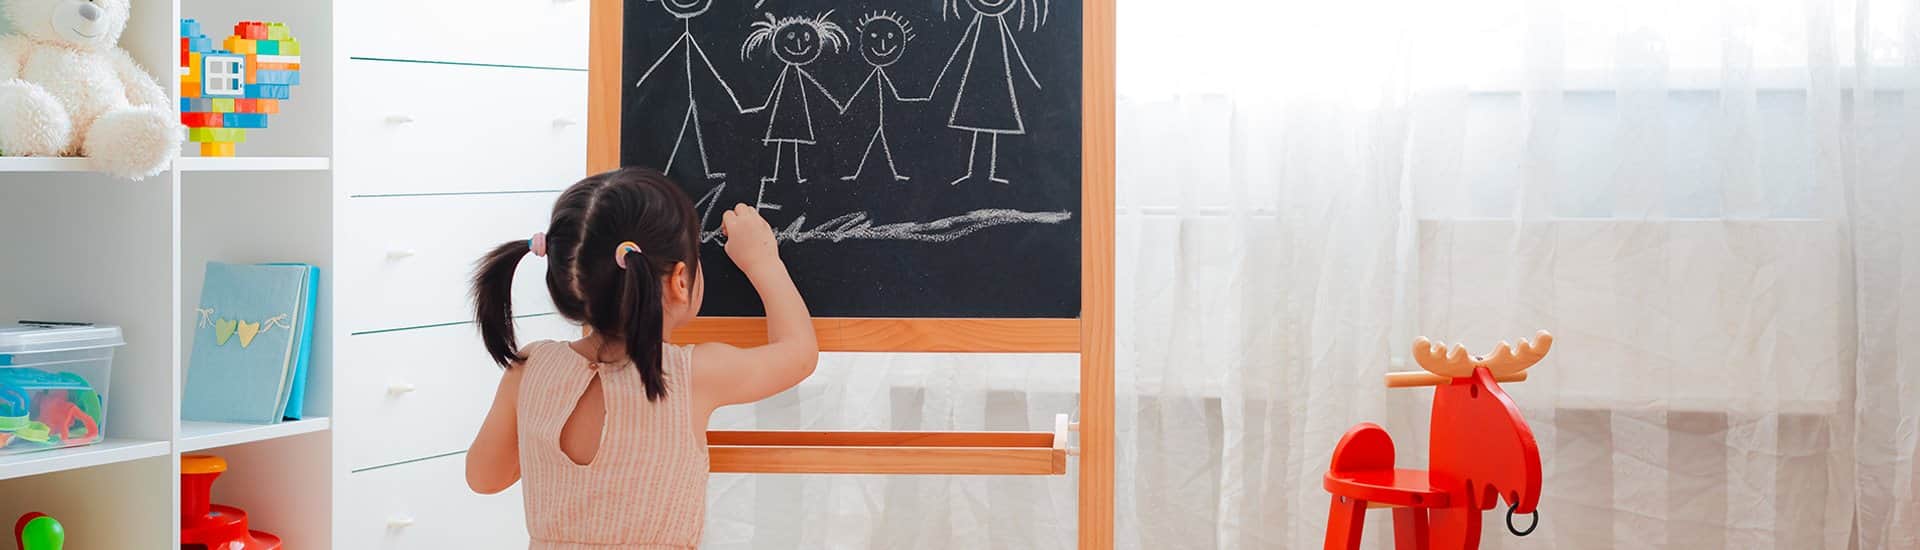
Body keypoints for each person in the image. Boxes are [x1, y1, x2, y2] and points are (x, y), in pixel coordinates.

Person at [464, 167, 819, 549]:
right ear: (680, 281)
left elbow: (485, 477)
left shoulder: (531, 366)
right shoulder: (692, 374)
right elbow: (799, 353)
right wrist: (763, 261)